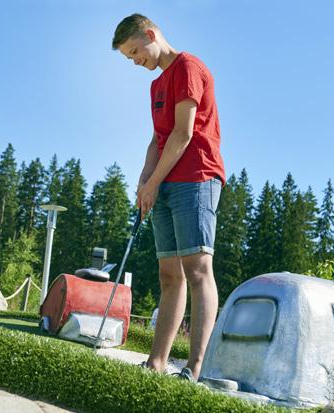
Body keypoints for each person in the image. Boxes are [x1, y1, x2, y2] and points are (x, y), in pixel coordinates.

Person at [112, 14, 225, 382]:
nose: (135, 61)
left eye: (134, 51)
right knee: (168, 274)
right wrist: (145, 180)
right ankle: (157, 361)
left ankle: (193, 369)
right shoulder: (156, 85)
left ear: (150, 34)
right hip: (164, 181)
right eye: (129, 58)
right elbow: (157, 140)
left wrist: (154, 182)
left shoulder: (188, 67)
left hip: (196, 177)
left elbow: (183, 134)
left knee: (197, 269)